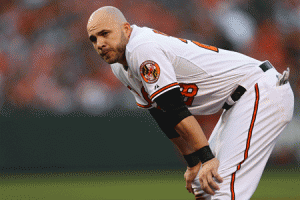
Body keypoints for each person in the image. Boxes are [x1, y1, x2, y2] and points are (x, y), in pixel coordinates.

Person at [86, 6, 294, 200]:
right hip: (243, 100)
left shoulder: (141, 47)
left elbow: (175, 107)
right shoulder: (120, 65)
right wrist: (194, 162)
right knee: (204, 187)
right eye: (93, 39)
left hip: (259, 90)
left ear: (125, 29)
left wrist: (207, 158)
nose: (100, 43)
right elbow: (162, 114)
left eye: (105, 33)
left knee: (221, 186)